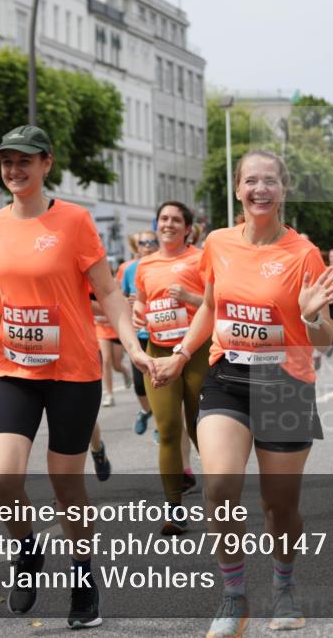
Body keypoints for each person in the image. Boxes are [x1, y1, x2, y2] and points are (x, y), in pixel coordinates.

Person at [0, 125, 154, 629]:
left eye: (24, 160)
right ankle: (27, 556)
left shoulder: (74, 221)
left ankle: (84, 575)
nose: (13, 169)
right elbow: (7, 282)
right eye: (6, 161)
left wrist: (131, 343)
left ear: (47, 163)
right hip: (15, 366)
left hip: (71, 370)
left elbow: (107, 292)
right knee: (3, 480)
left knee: (65, 484)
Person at [150, 149, 333, 637]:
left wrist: (306, 316)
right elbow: (211, 306)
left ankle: (284, 584)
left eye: (270, 181)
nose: (260, 189)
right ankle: (234, 596)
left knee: (280, 508)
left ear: (283, 190)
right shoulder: (217, 243)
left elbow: (325, 336)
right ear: (238, 189)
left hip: (285, 385)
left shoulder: (303, 253)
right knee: (220, 487)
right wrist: (180, 352)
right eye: (251, 181)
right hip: (227, 376)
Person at [132, 201, 207, 535]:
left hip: (195, 351)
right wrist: (138, 312)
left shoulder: (200, 258)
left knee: (198, 427)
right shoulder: (144, 265)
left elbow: (217, 304)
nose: (169, 224)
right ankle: (175, 509)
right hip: (157, 349)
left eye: (176, 220)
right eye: (164, 219)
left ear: (187, 228)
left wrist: (189, 297)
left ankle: (224, 498)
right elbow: (142, 302)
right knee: (167, 429)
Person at [116, 232, 156, 435]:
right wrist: (128, 302)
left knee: (161, 383)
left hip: (161, 334)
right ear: (136, 246)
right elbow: (117, 297)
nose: (148, 246)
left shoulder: (162, 266)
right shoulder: (129, 269)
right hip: (138, 333)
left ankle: (163, 423)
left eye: (152, 242)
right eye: (143, 242)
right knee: (140, 385)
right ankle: (146, 410)